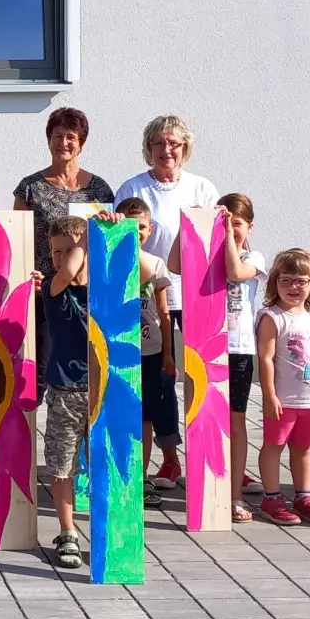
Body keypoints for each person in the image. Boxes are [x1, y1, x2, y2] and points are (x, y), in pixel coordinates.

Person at [116, 115, 222, 487]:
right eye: (160, 143)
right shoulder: (134, 188)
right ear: (149, 148)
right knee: (157, 380)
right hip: (146, 298)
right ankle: (166, 459)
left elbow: (216, 238)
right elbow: (118, 236)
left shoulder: (202, 188)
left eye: (174, 143)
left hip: (196, 296)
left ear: (185, 148)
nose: (167, 151)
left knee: (198, 379)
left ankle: (206, 461)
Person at [12, 108, 116, 387]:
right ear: (48, 140)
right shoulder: (30, 188)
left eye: (71, 136)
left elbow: (107, 241)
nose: (63, 143)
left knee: (85, 373)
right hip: (45, 294)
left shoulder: (100, 190)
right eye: (57, 136)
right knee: (38, 374)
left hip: (86, 297)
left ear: (81, 142)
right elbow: (16, 239)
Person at [255, 249, 310, 526]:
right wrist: (270, 395)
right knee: (274, 445)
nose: (293, 287)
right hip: (283, 399)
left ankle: (303, 495)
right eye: (286, 281)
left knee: (304, 448)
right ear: (275, 282)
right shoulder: (272, 317)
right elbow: (266, 357)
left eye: (301, 281)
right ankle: (271, 497)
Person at [117, 198, 179, 497]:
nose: (136, 231)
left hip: (151, 352)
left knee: (145, 416)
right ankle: (121, 472)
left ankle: (140, 476)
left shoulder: (155, 263)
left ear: (150, 229)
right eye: (129, 225)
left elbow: (165, 314)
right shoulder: (111, 259)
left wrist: (168, 353)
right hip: (119, 351)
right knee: (121, 411)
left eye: (140, 226)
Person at [41, 216, 90, 567]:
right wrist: (86, 239)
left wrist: (119, 230)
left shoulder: (106, 285)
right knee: (62, 465)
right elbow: (66, 273)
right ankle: (68, 530)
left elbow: (154, 269)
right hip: (65, 392)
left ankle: (108, 525)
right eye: (55, 252)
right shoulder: (53, 288)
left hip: (103, 392)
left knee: (105, 464)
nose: (61, 258)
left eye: (68, 251)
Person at [217, 194, 268, 505]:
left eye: (237, 224)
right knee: (206, 419)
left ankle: (234, 495)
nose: (231, 229)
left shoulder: (254, 258)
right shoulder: (206, 256)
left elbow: (235, 273)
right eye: (226, 222)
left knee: (236, 421)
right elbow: (174, 264)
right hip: (207, 348)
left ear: (250, 226)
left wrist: (225, 235)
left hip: (238, 349)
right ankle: (211, 487)